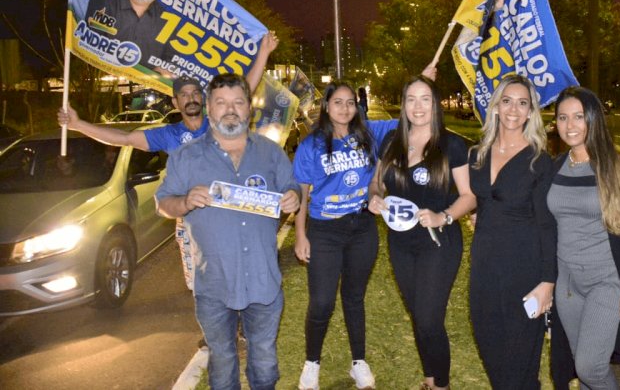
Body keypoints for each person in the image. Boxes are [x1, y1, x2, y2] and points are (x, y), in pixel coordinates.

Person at [58, 32, 278, 291]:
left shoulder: (219, 123)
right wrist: (78, 124)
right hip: (190, 221)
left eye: (196, 93)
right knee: (200, 286)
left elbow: (244, 92)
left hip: (229, 213)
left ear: (205, 100)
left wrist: (263, 52)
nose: (191, 98)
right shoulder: (169, 134)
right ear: (176, 101)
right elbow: (125, 138)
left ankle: (237, 326)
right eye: (184, 95)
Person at [292, 64, 435, 390]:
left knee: (354, 297)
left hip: (362, 228)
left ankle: (359, 362)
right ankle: (311, 362)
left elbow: (410, 118)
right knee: (322, 301)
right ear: (326, 107)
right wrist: (301, 234)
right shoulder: (310, 145)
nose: (344, 108)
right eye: (337, 102)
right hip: (324, 230)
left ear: (357, 106)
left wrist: (425, 79)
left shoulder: (368, 133)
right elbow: (302, 194)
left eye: (350, 102)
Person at [155, 72, 300, 390]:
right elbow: (163, 204)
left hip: (263, 283)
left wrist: (293, 197)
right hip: (214, 286)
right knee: (222, 365)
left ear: (249, 109)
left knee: (263, 363)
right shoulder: (186, 157)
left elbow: (291, 188)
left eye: (238, 102)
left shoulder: (271, 153)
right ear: (209, 109)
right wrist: (184, 201)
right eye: (221, 103)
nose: (230, 109)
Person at [367, 76, 475, 390]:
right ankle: (429, 380)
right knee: (419, 315)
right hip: (401, 242)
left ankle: (441, 385)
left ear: (436, 103)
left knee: (429, 319)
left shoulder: (452, 144)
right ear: (403, 104)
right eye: (411, 99)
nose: (418, 106)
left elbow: (469, 196)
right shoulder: (391, 141)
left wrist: (444, 215)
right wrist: (374, 196)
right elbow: (377, 182)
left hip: (437, 242)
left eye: (425, 98)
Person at [548, 86, 620, 389]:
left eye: (579, 117)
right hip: (567, 285)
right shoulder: (556, 166)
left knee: (591, 367)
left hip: (605, 282)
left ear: (594, 118)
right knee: (580, 365)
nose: (570, 126)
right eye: (562, 117)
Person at [467, 74, 556, 388]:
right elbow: (479, 200)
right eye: (507, 101)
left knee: (520, 364)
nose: (514, 110)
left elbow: (547, 225)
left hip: (524, 271)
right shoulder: (476, 155)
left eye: (523, 103)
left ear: (531, 111)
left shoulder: (539, 162)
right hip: (484, 268)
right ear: (495, 107)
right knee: (490, 349)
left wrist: (548, 282)